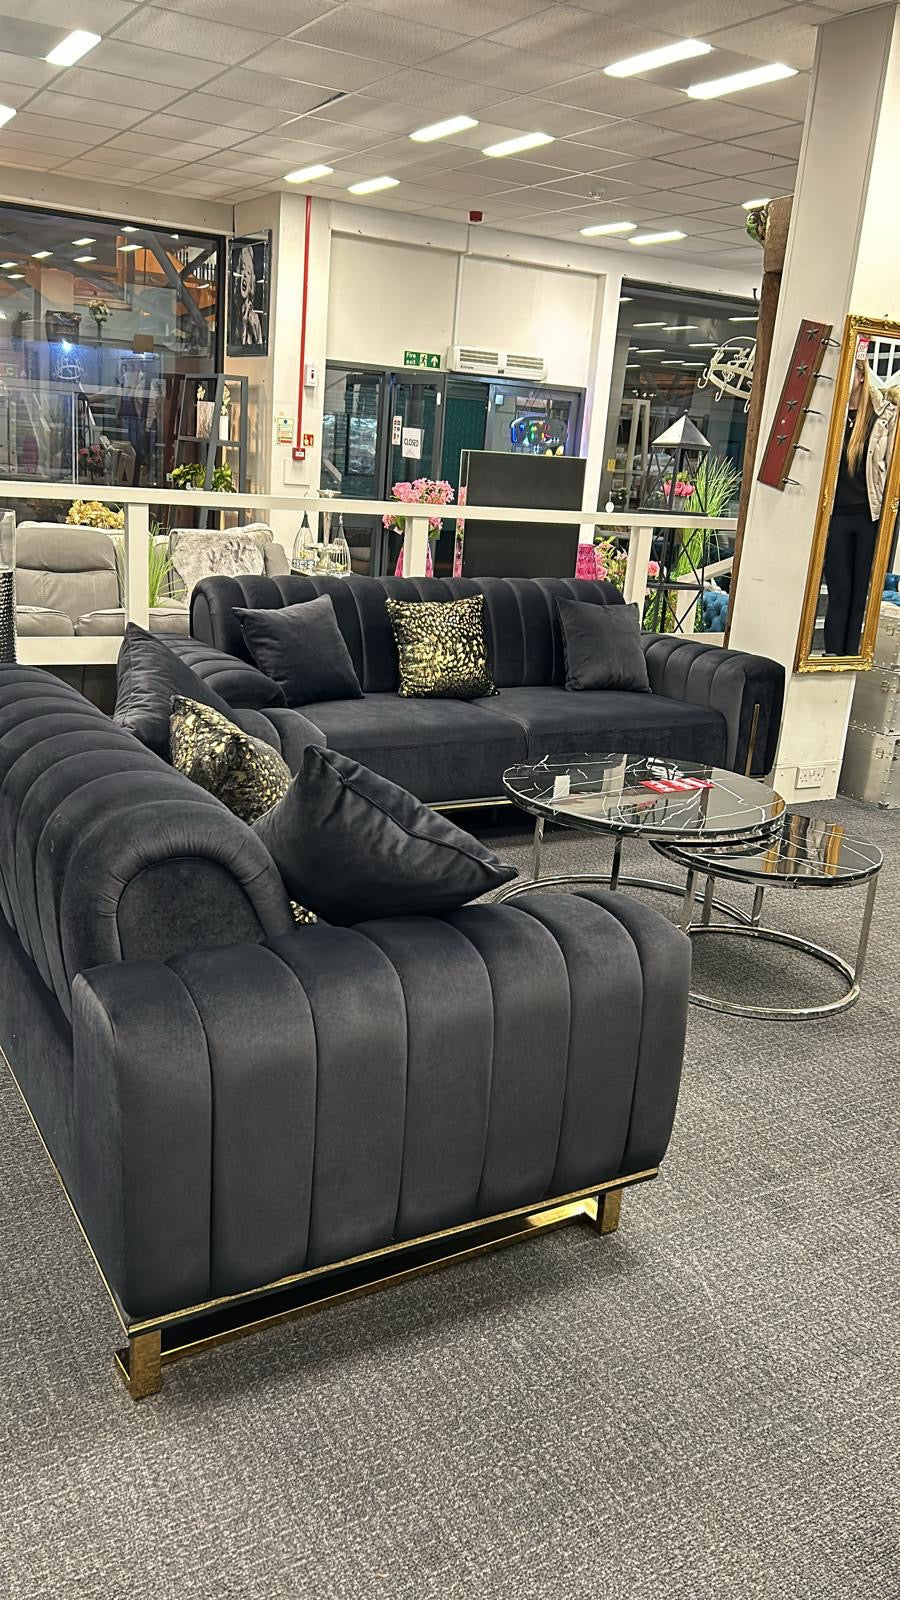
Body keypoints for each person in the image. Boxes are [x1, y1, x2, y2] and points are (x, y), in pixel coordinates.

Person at [822, 360, 898, 655]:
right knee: (839, 590)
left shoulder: (882, 416)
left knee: (858, 596)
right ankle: (832, 657)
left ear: (860, 374)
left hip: (869, 514)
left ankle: (850, 656)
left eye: (850, 371)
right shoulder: (834, 416)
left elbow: (889, 465)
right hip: (838, 514)